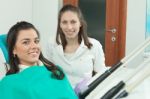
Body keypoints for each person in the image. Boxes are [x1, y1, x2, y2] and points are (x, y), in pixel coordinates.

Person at [0, 21, 78, 99]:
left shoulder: (57, 71)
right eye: (26, 42)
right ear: (13, 49)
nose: (34, 46)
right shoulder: (9, 83)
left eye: (36, 41)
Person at [45, 4, 107, 88]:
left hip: (83, 94)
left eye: (73, 22)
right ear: (60, 24)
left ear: (80, 23)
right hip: (59, 93)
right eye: (64, 22)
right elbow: (48, 71)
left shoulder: (94, 45)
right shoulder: (51, 44)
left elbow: (101, 74)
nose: (69, 27)